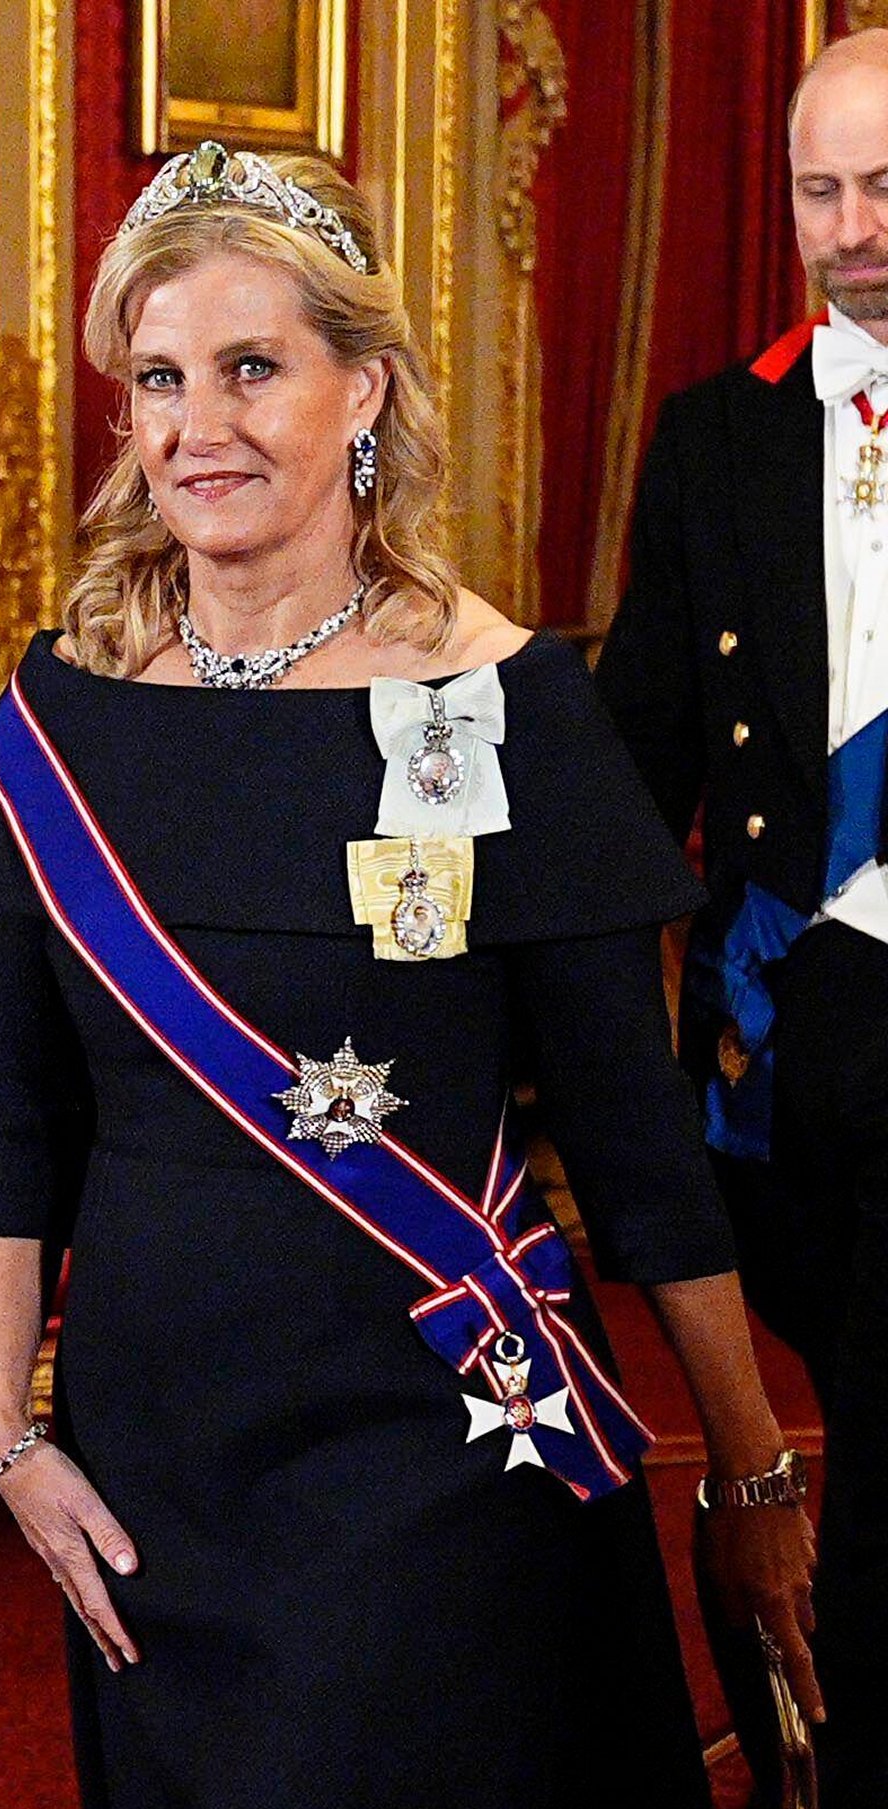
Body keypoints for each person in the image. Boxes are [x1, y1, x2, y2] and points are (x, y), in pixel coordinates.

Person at [0, 143, 817, 1809]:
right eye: (161, 378)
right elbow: (16, 1109)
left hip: (441, 1434)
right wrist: (6, 1431)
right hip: (154, 1458)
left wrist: (750, 1463)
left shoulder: (502, 701)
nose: (199, 426)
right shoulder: (66, 710)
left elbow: (636, 1143)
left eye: (252, 367)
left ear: (366, 390)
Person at [596, 30, 888, 1806]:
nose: (854, 232)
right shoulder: (719, 436)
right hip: (798, 1031)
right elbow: (632, 757)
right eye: (819, 191)